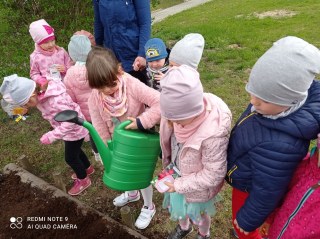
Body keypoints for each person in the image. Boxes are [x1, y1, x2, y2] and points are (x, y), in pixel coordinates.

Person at [225, 36, 320, 239]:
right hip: (247, 172)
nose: (252, 102)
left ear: (290, 101)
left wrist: (248, 220)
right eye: (252, 93)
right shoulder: (270, 107)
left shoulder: (281, 144)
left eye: (262, 100)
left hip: (250, 189)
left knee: (243, 228)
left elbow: (267, 190)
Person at [86, 46, 161, 229]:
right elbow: (99, 127)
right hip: (117, 145)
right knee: (124, 173)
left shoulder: (131, 84)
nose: (109, 90)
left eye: (112, 83)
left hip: (139, 143)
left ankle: (148, 205)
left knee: (140, 176)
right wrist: (107, 151)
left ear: (118, 71)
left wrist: (142, 121)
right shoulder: (94, 99)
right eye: (102, 87)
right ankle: (132, 194)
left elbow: (160, 102)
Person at [159, 65, 232, 239]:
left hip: (196, 188)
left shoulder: (212, 134)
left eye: (177, 120)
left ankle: (203, 233)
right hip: (177, 176)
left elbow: (214, 174)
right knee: (178, 209)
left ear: (194, 110)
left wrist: (179, 185)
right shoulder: (177, 116)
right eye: (170, 119)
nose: (173, 123)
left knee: (199, 215)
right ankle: (184, 227)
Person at [0, 74, 93, 196]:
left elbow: (71, 120)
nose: (26, 107)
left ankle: (83, 179)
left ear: (32, 96)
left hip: (74, 129)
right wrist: (21, 109)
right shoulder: (39, 94)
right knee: (76, 151)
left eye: (26, 104)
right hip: (68, 130)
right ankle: (87, 168)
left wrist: (52, 135)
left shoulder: (56, 100)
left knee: (70, 157)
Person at [64, 34, 102, 164]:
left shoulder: (69, 74)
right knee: (105, 130)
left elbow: (70, 99)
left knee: (93, 133)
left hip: (86, 114)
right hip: (102, 109)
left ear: (72, 55)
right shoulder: (96, 66)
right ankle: (110, 149)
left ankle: (97, 154)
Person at [92, 0, 151, 85]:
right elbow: (98, 23)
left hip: (134, 57)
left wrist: (142, 54)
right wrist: (98, 51)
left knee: (140, 93)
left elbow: (145, 24)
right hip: (112, 58)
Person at [29, 19, 73, 90]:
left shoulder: (61, 51)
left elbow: (70, 65)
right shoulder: (35, 57)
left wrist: (65, 69)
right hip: (49, 89)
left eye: (52, 40)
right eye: (46, 42)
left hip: (66, 86)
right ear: (39, 43)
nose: (51, 44)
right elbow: (34, 74)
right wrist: (42, 81)